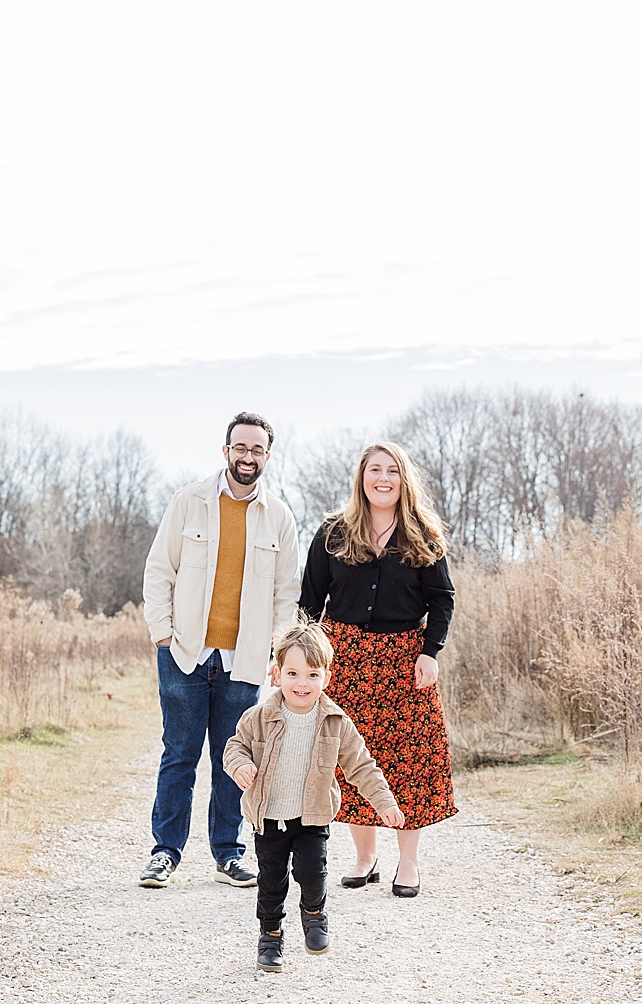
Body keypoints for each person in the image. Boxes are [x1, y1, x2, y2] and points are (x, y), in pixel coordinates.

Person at [139, 411, 301, 889]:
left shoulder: (280, 517)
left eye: (257, 450)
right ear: (225, 450)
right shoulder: (188, 502)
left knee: (234, 760)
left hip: (244, 660)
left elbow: (285, 595)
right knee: (179, 755)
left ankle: (228, 853)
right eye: (240, 447)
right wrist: (163, 635)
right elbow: (158, 570)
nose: (247, 456)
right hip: (185, 653)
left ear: (267, 457)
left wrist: (276, 654)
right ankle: (164, 853)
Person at [297, 440, 456, 898]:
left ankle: (409, 864)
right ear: (361, 477)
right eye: (374, 470)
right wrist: (298, 659)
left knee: (412, 760)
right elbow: (310, 602)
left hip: (406, 661)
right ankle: (365, 859)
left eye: (392, 471)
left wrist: (431, 651)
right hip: (343, 658)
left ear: (404, 479)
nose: (382, 479)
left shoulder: (422, 533)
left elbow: (441, 599)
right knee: (348, 760)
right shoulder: (333, 533)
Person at [223, 620, 403, 971]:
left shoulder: (336, 722)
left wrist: (384, 802)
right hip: (269, 817)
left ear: (326, 678)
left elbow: (362, 767)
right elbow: (235, 747)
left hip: (312, 817)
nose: (301, 683)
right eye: (292, 673)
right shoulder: (258, 717)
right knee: (271, 881)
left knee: (312, 872)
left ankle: (314, 914)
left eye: (311, 674)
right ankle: (271, 936)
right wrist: (240, 765)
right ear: (276, 674)